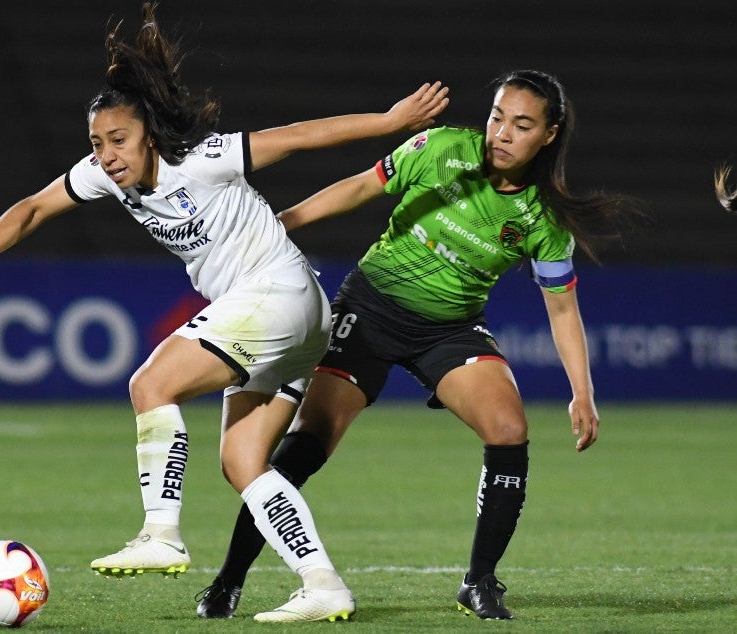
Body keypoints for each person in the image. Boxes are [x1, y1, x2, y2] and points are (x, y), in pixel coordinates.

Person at [0, 2, 449, 623]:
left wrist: (389, 120)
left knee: (152, 383)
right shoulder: (106, 175)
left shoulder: (201, 158)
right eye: (97, 144)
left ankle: (161, 532)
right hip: (298, 321)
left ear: (149, 135)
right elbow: (31, 207)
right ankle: (322, 583)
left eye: (118, 140)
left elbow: (295, 138)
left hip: (275, 293)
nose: (106, 155)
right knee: (243, 462)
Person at [196, 69, 643, 621]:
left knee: (509, 430)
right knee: (309, 442)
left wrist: (583, 393)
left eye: (521, 125)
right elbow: (361, 185)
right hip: (370, 308)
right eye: (497, 116)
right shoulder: (442, 149)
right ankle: (228, 580)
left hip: (450, 330)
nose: (502, 133)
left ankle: (479, 582)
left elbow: (561, 306)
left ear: (548, 136)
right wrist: (283, 224)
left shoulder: (545, 219)